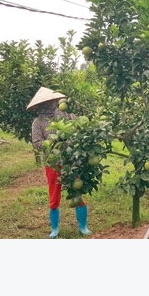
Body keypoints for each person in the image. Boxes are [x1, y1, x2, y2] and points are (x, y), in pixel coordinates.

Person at [27, 87, 92, 238]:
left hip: (71, 160)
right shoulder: (38, 123)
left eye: (52, 101)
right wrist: (53, 141)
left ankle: (83, 227)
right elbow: (37, 143)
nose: (51, 104)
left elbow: (77, 126)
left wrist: (74, 124)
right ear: (40, 106)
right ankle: (55, 229)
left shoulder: (63, 114)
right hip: (53, 163)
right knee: (54, 196)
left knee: (77, 191)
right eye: (47, 102)